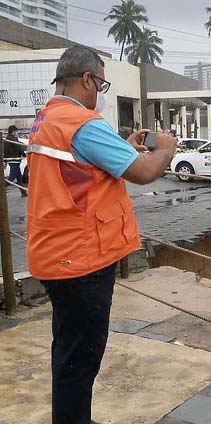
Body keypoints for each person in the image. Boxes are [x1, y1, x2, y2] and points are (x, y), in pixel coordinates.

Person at [26, 45, 177, 424]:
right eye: (102, 83)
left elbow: (80, 168)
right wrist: (167, 150)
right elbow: (144, 172)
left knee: (68, 350)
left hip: (53, 254)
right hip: (82, 260)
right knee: (82, 358)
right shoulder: (84, 124)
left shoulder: (46, 119)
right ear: (87, 79)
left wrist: (122, 148)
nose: (101, 93)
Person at [3, 125, 27, 197]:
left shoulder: (8, 139)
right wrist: (23, 154)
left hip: (12, 160)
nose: (16, 132)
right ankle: (1, 189)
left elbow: (5, 151)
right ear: (13, 131)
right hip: (14, 160)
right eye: (16, 131)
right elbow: (18, 148)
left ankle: (23, 193)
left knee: (19, 177)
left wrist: (5, 160)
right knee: (12, 177)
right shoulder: (12, 139)